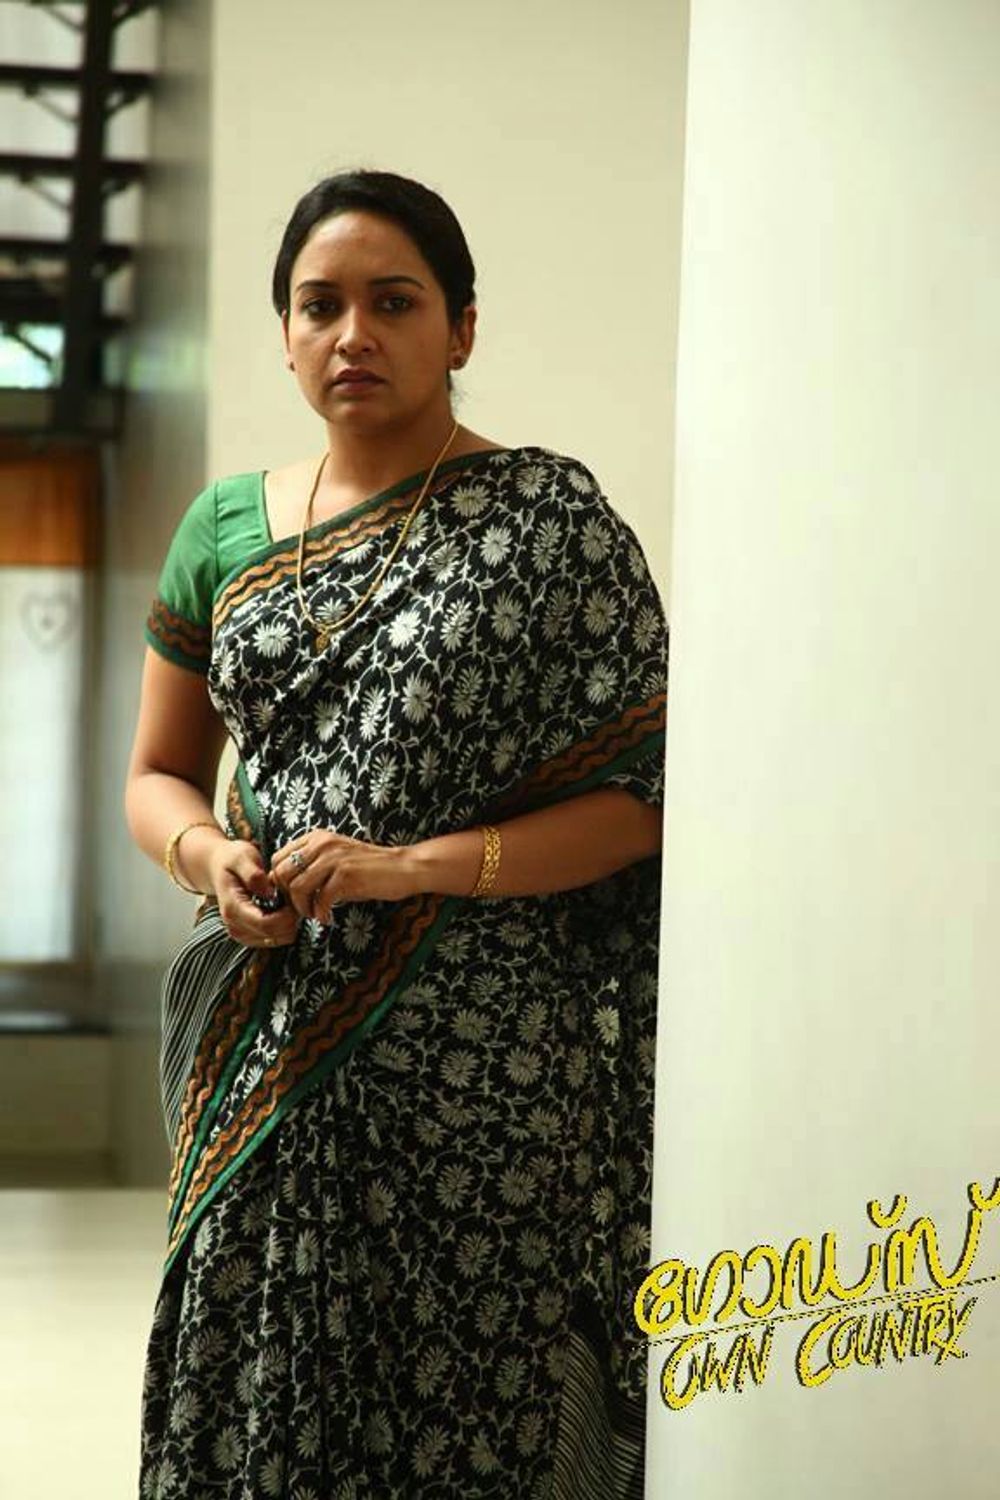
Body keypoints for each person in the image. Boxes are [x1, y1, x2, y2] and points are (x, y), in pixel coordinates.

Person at [126, 168, 668, 1500]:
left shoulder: (550, 524)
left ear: (462, 328)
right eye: (320, 306)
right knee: (248, 1396)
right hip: (268, 1047)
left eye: (395, 302)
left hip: (488, 1076)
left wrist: (408, 868)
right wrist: (211, 860)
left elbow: (639, 804)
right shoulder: (223, 529)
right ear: (285, 334)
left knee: (471, 1415)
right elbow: (157, 775)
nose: (353, 334)